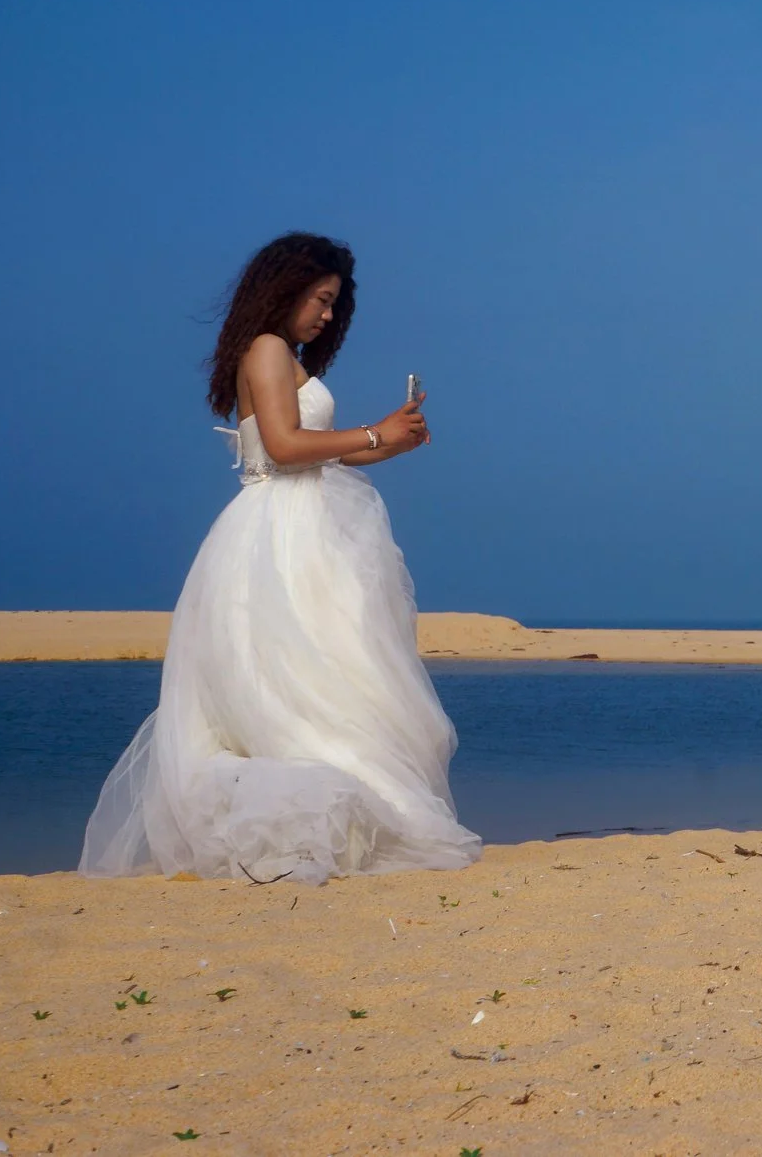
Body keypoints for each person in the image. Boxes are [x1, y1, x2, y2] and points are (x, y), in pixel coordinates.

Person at [80, 233, 480, 883]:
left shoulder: (282, 355)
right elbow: (285, 445)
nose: (327, 314)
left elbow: (326, 452)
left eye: (334, 303)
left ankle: (353, 808)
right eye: (321, 298)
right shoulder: (266, 348)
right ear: (285, 288)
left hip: (303, 524)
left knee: (326, 672)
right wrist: (374, 430)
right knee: (300, 676)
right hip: (279, 532)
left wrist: (393, 438)